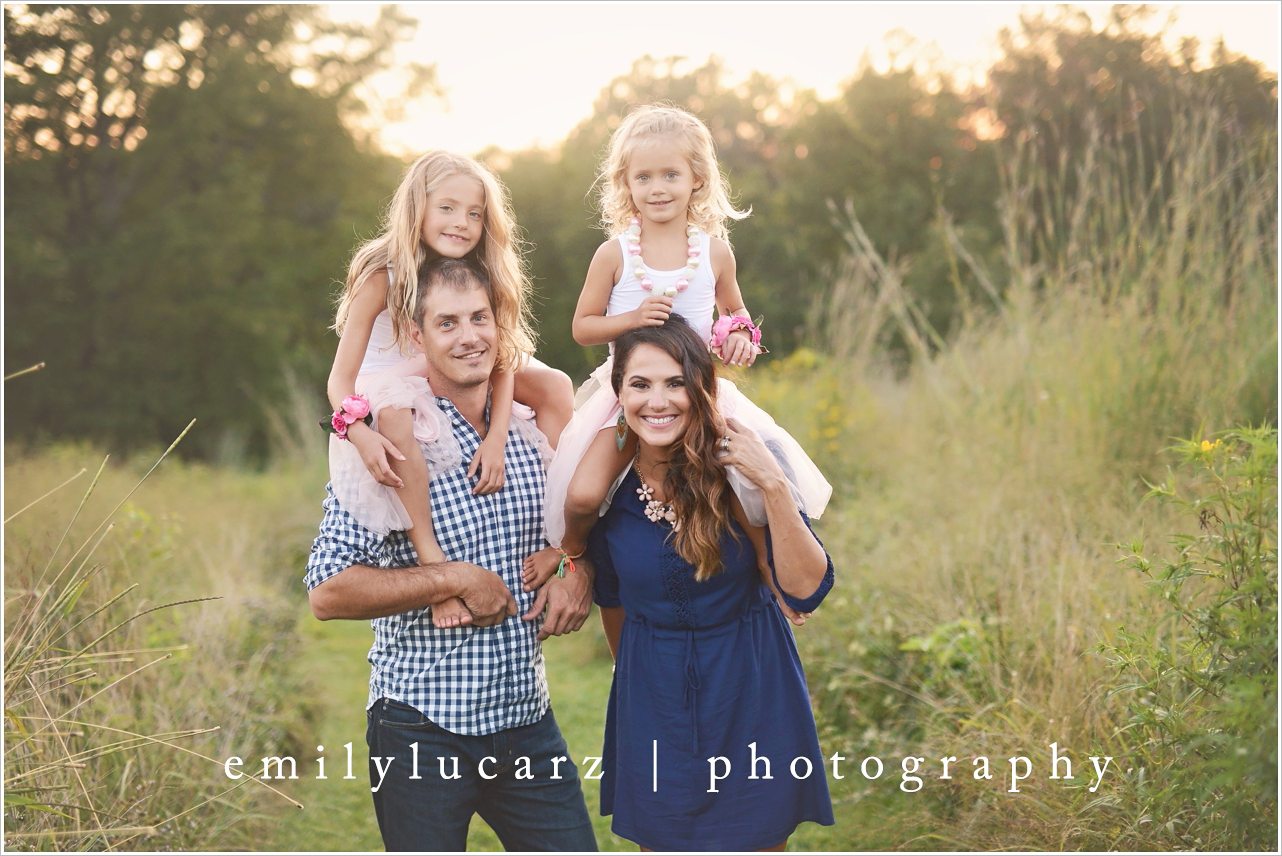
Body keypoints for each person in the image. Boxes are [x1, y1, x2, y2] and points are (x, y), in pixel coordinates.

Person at [305, 257, 598, 852]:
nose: (469, 337)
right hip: (420, 727)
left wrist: (577, 568)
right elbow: (328, 592)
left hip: (526, 723)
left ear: (500, 324)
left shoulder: (529, 430)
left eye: (479, 319)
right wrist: (452, 579)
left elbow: (588, 523)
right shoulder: (392, 442)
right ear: (417, 336)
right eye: (447, 323)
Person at [531, 104, 831, 606]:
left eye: (671, 174)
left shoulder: (713, 252)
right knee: (583, 493)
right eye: (643, 176)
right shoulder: (615, 255)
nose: (658, 188)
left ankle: (767, 567)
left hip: (699, 391)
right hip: (629, 396)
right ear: (625, 184)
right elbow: (583, 327)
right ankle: (574, 553)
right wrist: (631, 319)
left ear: (697, 179)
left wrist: (739, 339)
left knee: (743, 481)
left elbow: (737, 317)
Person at [587, 317, 836, 851]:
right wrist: (635, 677)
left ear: (701, 388)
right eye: (641, 384)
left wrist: (771, 484)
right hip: (653, 693)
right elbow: (611, 599)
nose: (659, 401)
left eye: (675, 382)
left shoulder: (744, 467)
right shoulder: (608, 491)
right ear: (619, 393)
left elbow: (805, 588)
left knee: (758, 837)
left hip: (752, 682)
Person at [328, 151, 572, 629]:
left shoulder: (482, 270)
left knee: (555, 384)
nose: (462, 223)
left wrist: (496, 438)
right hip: (389, 380)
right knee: (397, 409)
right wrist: (356, 430)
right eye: (448, 208)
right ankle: (430, 556)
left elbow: (501, 359)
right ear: (417, 206)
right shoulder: (383, 271)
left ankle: (560, 536)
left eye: (475, 213)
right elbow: (340, 377)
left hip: (462, 358)